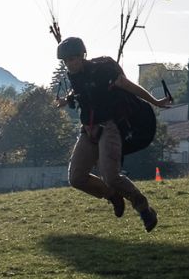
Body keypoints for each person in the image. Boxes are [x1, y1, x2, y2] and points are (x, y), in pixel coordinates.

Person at [53, 24, 172, 231]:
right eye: (66, 61)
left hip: (109, 127)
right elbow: (80, 91)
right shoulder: (74, 76)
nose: (69, 64)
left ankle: (143, 208)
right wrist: (67, 100)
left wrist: (156, 101)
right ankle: (112, 195)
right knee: (76, 178)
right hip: (87, 129)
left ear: (82, 56)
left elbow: (129, 86)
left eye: (72, 59)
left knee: (111, 176)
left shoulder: (102, 70)